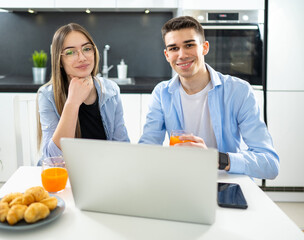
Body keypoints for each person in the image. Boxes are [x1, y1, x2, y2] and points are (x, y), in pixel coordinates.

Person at [139, 16, 279, 179]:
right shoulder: (162, 93)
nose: (182, 55)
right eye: (173, 48)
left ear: (204, 47)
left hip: (226, 182)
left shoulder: (238, 91)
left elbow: (270, 164)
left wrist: (216, 158)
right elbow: (147, 150)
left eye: (189, 45)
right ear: (167, 55)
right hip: (180, 181)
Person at [37, 23, 129, 163]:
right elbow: (52, 160)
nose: (82, 57)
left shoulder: (111, 90)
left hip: (103, 171)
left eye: (87, 49)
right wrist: (72, 103)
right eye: (70, 52)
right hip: (65, 176)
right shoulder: (47, 95)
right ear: (60, 60)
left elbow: (122, 146)